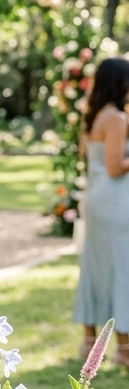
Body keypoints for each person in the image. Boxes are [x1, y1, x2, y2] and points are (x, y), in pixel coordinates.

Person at [73, 56, 129, 367]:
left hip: (97, 200)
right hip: (115, 203)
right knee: (122, 269)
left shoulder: (95, 115)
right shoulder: (117, 119)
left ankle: (90, 342)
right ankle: (125, 349)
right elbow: (114, 166)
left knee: (95, 268)